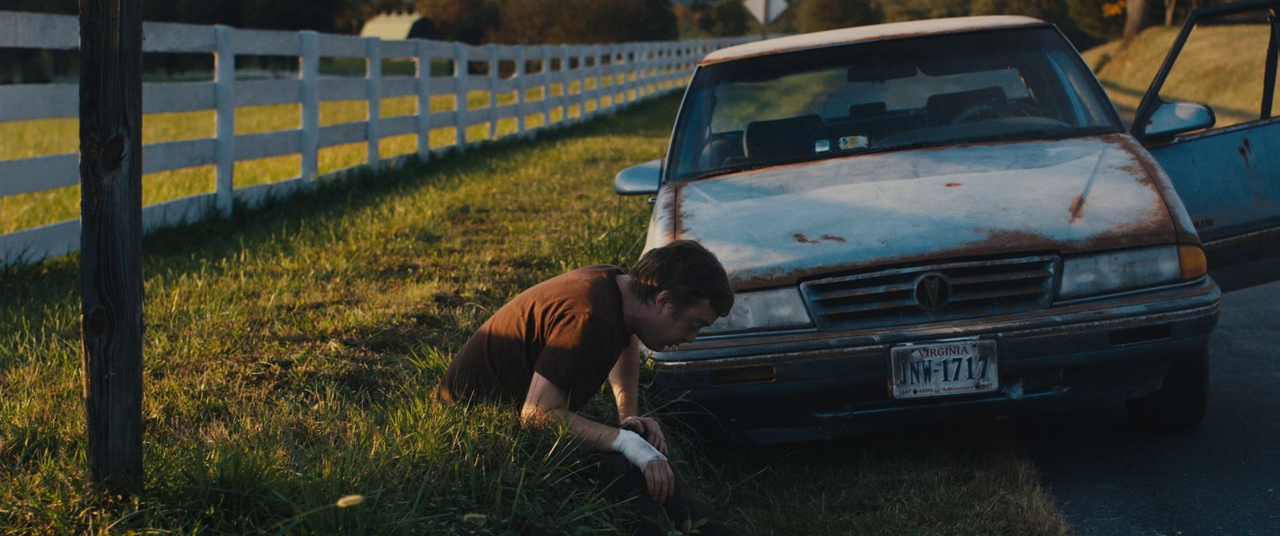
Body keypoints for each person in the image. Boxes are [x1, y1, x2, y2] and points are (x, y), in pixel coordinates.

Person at [435, 240, 737, 535]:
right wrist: (628, 443)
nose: (692, 337)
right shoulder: (591, 316)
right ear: (663, 301)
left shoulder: (621, 290)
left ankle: (710, 529)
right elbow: (536, 415)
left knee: (641, 443)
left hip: (519, 410)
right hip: (474, 426)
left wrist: (628, 417)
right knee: (622, 467)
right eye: (694, 324)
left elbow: (627, 339)